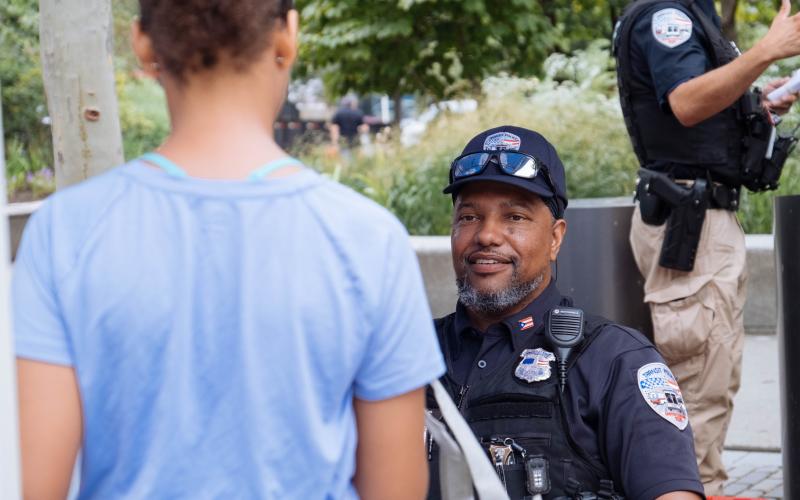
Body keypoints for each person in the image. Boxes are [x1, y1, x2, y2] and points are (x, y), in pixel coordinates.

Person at [12, 1, 444, 498]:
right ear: (288, 37)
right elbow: (395, 487)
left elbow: (37, 484)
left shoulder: (65, 232)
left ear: (143, 44)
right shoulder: (369, 239)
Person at [426, 125, 704, 500]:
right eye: (469, 217)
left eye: (514, 217)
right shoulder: (408, 353)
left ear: (555, 238)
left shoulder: (615, 360)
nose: (487, 235)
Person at [613, 0, 800, 494]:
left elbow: (695, 107)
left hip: (699, 218)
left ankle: (703, 485)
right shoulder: (668, 15)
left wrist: (759, 99)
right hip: (690, 221)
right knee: (695, 384)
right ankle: (696, 488)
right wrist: (765, 51)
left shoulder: (693, 13)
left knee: (712, 376)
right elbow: (686, 102)